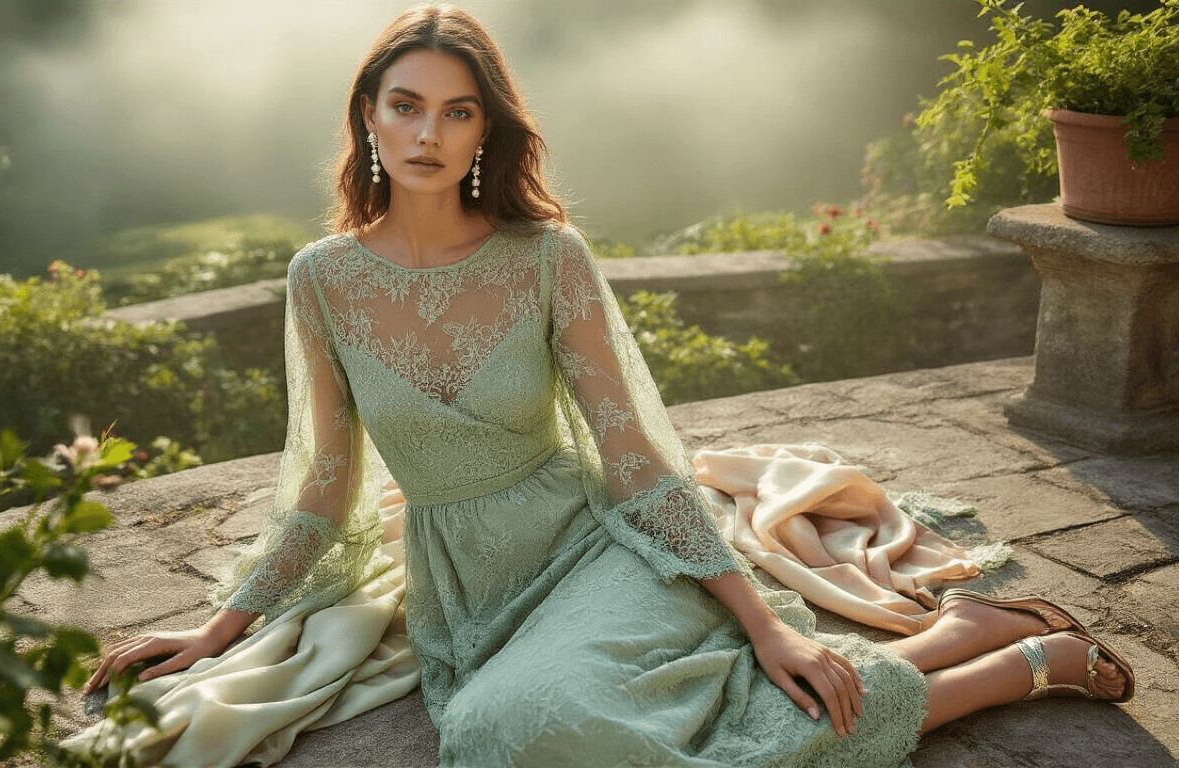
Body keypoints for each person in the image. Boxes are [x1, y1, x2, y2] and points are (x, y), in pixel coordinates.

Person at [83, 5, 1134, 766]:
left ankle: (1016, 668)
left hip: (596, 550)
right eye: (405, 106)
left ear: (485, 130)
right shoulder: (322, 279)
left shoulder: (547, 258)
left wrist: (763, 622)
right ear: (367, 113)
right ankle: (963, 641)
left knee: (511, 730)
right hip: (467, 594)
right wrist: (215, 632)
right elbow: (322, 488)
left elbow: (630, 455)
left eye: (456, 112)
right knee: (528, 733)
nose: (427, 135)